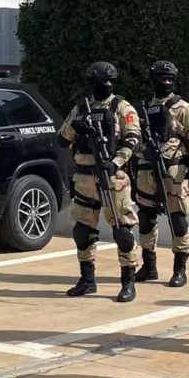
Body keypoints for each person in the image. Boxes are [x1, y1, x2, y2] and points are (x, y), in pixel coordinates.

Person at [59, 62, 142, 301]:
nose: (108, 85)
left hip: (113, 177)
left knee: (122, 231)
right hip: (84, 177)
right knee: (82, 231)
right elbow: (62, 140)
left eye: (111, 81)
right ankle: (87, 279)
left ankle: (128, 282)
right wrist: (76, 127)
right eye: (104, 81)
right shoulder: (81, 108)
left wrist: (116, 162)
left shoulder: (121, 107)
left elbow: (133, 139)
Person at [133, 60, 189, 288]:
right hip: (146, 173)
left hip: (173, 173)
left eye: (169, 79)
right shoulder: (142, 108)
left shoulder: (182, 108)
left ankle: (180, 269)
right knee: (146, 219)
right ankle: (149, 265)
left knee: (178, 220)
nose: (166, 82)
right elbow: (131, 138)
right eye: (161, 78)